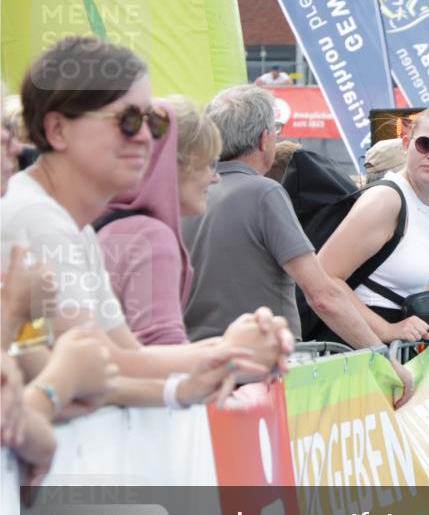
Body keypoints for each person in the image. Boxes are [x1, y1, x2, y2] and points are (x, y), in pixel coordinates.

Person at [2, 37, 292, 410]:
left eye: (152, 122)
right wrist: (231, 351)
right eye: (126, 120)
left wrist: (228, 352)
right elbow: (97, 365)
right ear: (58, 130)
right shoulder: (37, 218)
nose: (145, 137)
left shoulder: (73, 225)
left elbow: (122, 355)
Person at [181, 85, 413, 403]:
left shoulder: (189, 194)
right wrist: (382, 358)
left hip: (198, 374)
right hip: (261, 379)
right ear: (264, 139)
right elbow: (322, 296)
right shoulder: (264, 193)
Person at [317, 105, 429, 342]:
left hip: (384, 351)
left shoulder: (426, 204)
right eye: (425, 144)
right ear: (407, 144)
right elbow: (322, 278)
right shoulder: (387, 200)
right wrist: (387, 330)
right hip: (355, 349)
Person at [96, 95, 221, 345]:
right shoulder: (151, 237)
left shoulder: (106, 224)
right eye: (208, 164)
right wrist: (236, 349)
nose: (215, 177)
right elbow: (164, 347)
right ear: (172, 164)